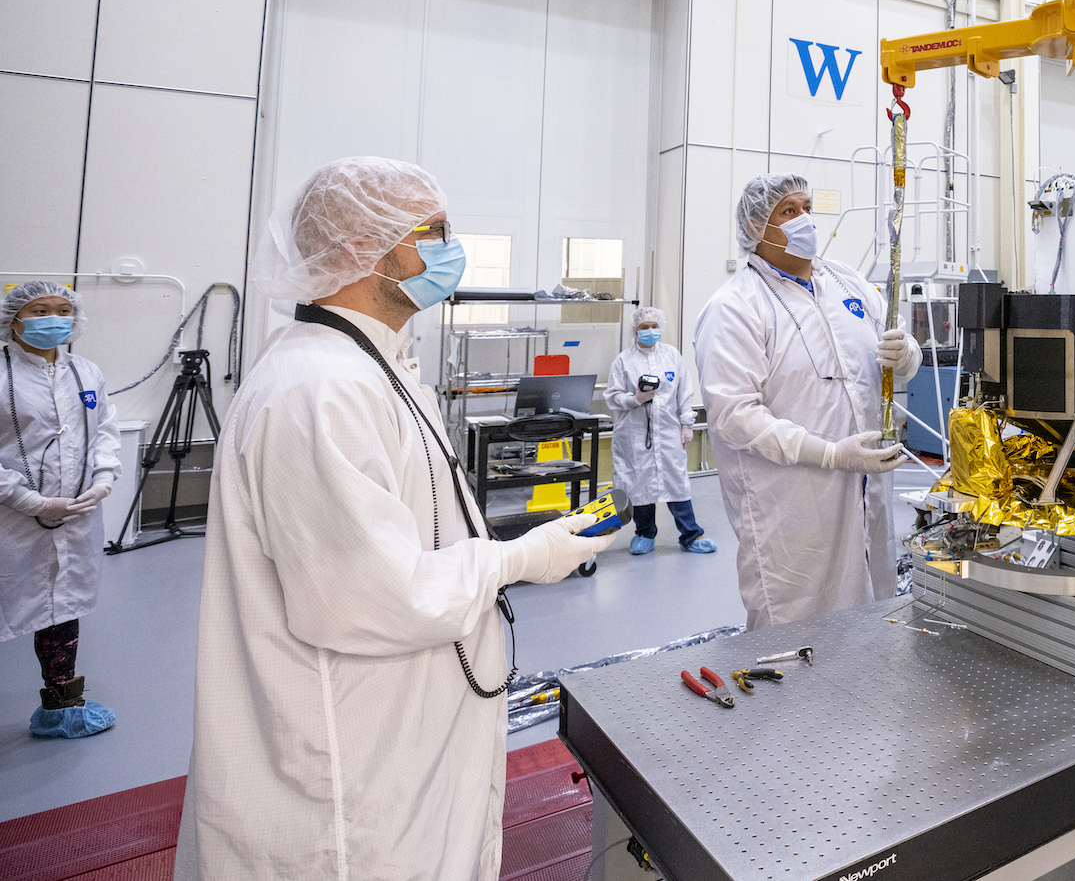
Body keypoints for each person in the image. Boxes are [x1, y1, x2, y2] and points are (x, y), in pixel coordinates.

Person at [176, 157, 608, 881]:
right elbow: (375, 593)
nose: (450, 248)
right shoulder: (320, 391)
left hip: (397, 744)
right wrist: (520, 556)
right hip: (345, 789)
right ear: (357, 249)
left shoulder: (367, 366)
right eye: (432, 231)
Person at [691, 175, 919, 630]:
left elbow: (883, 359)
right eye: (788, 212)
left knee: (873, 616)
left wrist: (907, 355)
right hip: (792, 503)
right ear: (758, 228)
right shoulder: (735, 307)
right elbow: (735, 416)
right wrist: (831, 453)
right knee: (798, 630)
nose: (805, 220)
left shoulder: (847, 282)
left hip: (867, 491)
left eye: (807, 207)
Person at [1, 281, 121, 739]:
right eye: (40, 310)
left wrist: (105, 477)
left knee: (60, 606)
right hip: (11, 518)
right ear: (14, 319)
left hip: (75, 515)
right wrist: (29, 500)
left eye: (64, 309)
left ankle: (62, 706)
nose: (55, 318)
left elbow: (105, 429)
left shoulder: (85, 372)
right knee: (12, 600)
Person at [605, 306, 712, 556]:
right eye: (644, 327)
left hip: (668, 433)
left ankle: (691, 535)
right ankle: (645, 533)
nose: (650, 331)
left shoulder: (672, 357)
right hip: (634, 433)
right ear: (635, 330)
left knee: (676, 482)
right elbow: (612, 396)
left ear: (660, 328)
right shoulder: (624, 361)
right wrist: (636, 399)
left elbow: (685, 392)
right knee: (640, 484)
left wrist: (687, 424)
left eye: (654, 326)